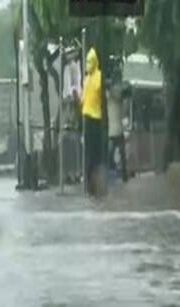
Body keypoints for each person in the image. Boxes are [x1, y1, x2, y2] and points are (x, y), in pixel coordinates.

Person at [81, 47, 103, 197]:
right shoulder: (86, 79)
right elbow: (83, 100)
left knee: (95, 154)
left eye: (90, 61)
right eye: (86, 61)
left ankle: (94, 184)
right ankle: (90, 184)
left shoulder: (98, 77)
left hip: (96, 118)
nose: (88, 64)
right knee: (90, 154)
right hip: (88, 118)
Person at [107, 70, 127, 183]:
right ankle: (120, 174)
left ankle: (116, 174)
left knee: (114, 153)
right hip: (115, 129)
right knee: (119, 153)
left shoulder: (111, 94)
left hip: (114, 129)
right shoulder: (114, 93)